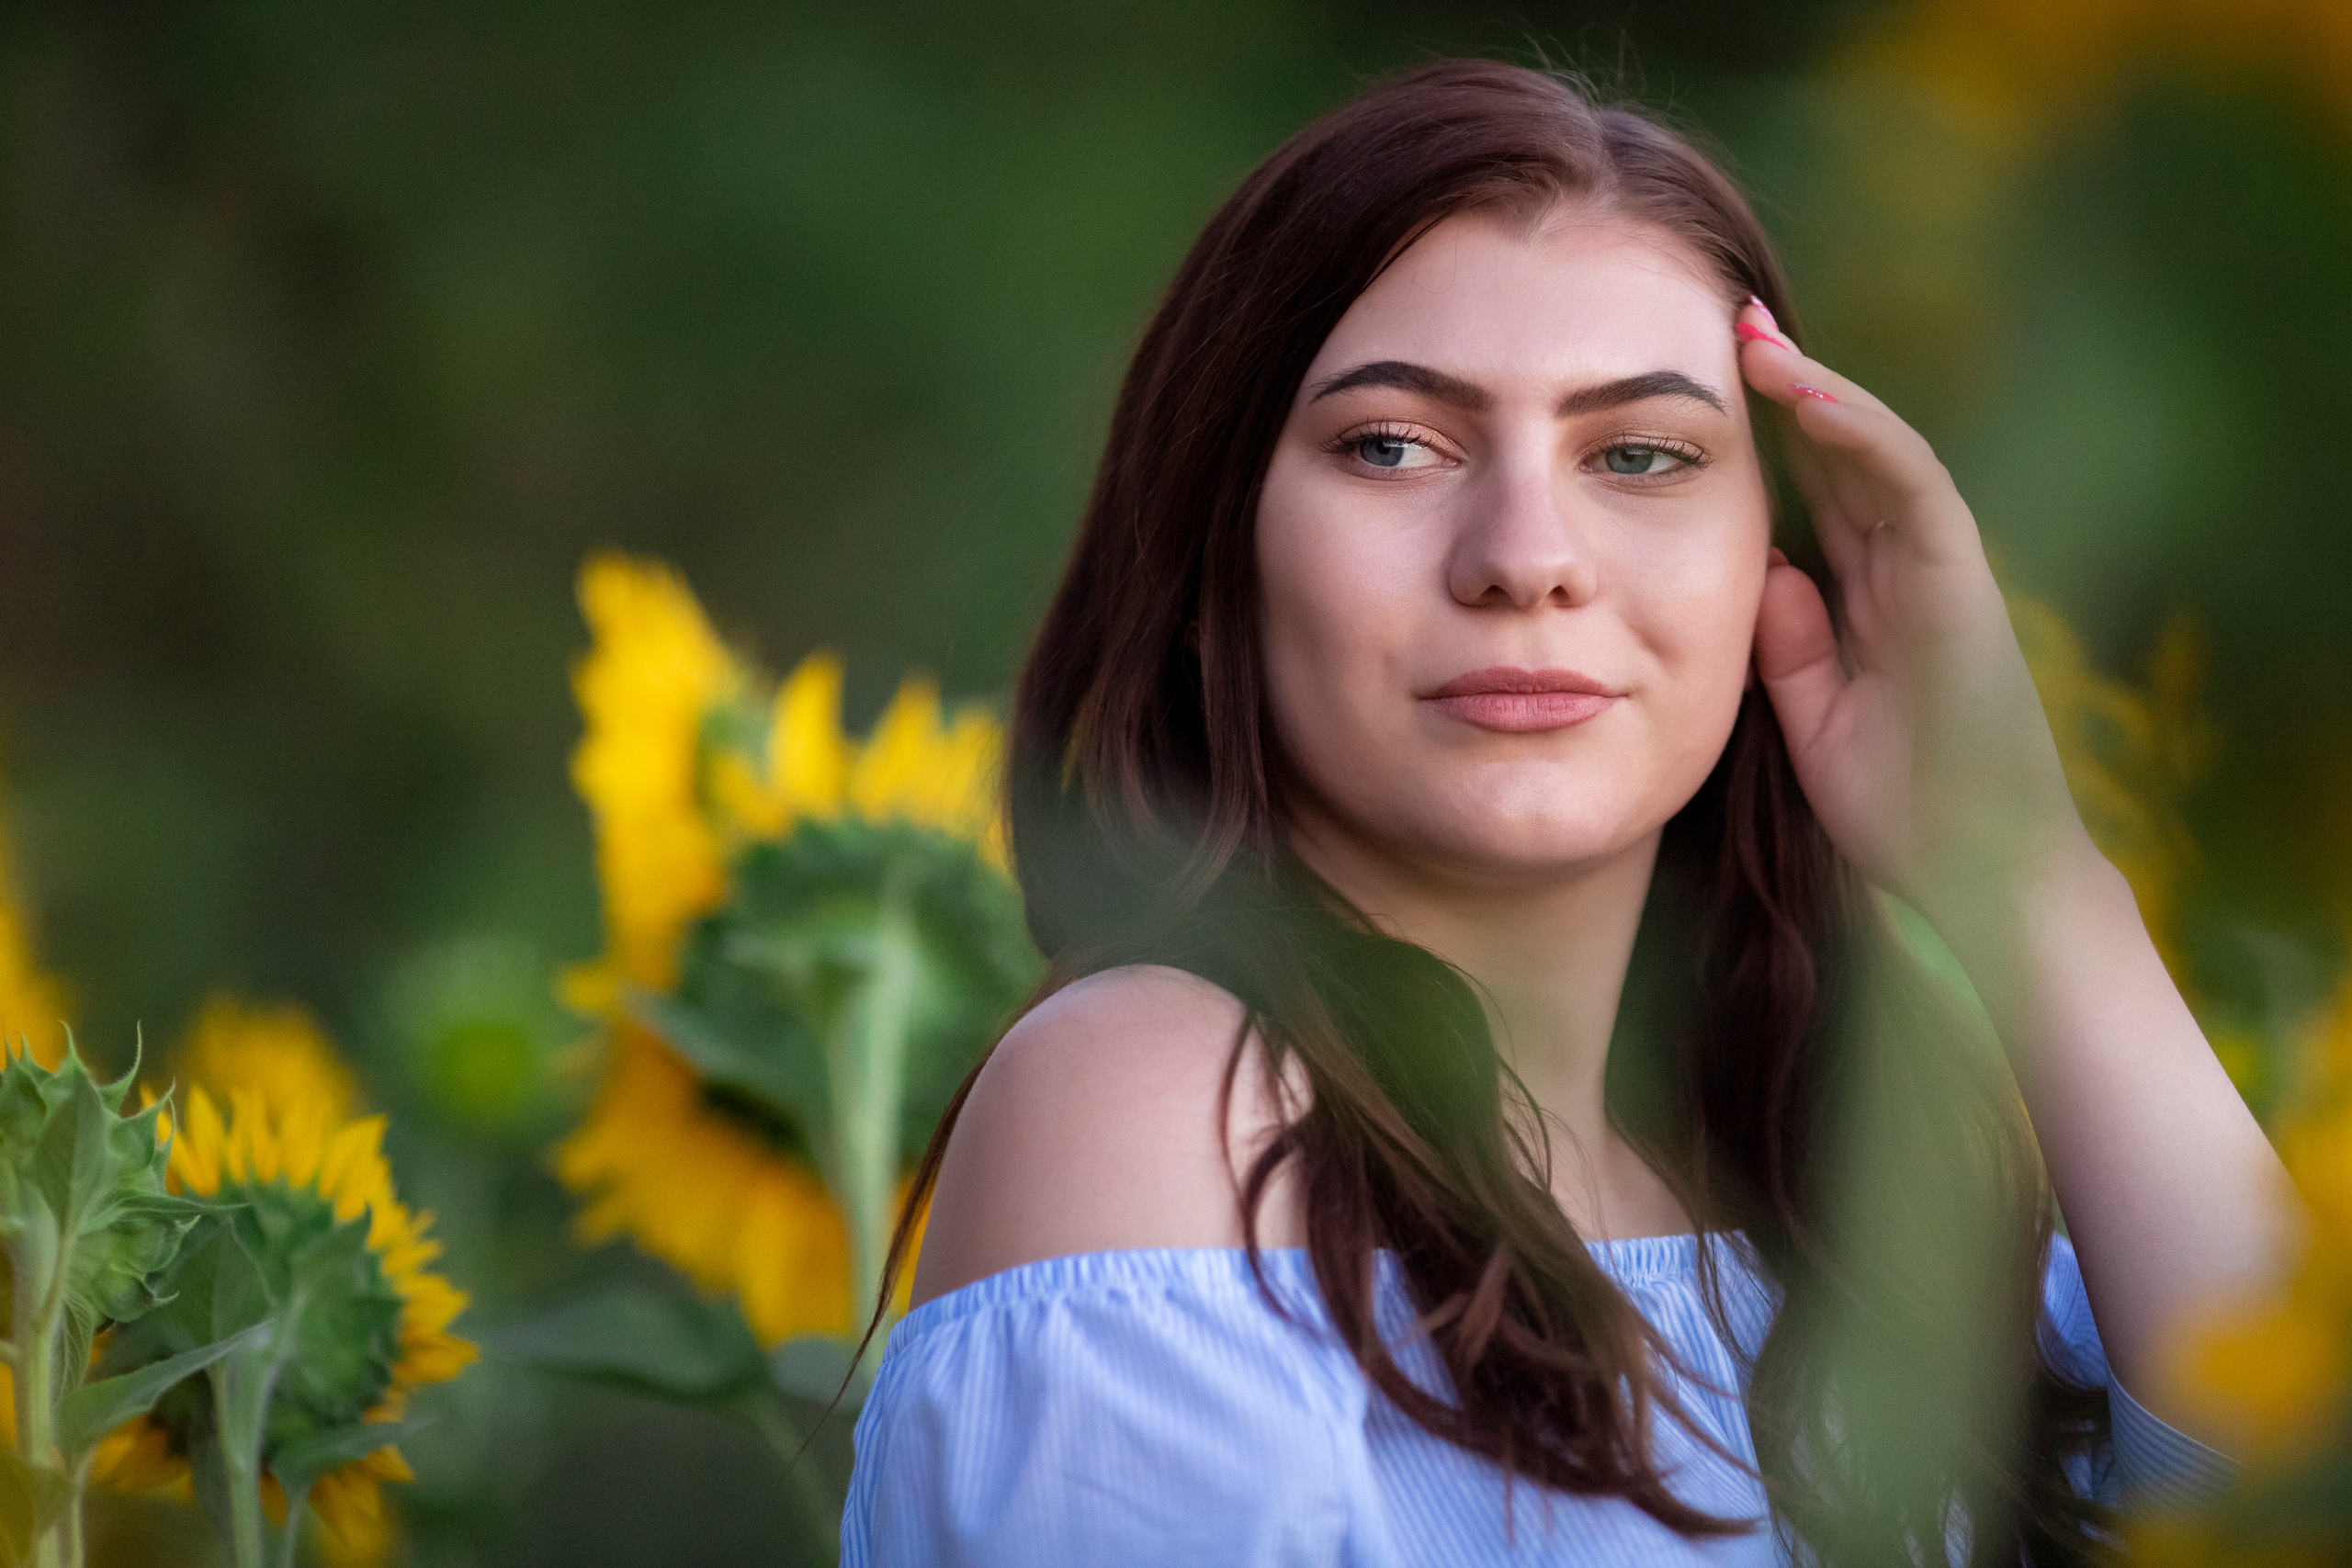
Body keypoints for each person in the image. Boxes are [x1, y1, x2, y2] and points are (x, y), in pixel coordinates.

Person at [841, 59, 2294, 1565]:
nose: (1526, 556)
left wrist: (2027, 875)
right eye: (1393, 444)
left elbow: (2285, 1506)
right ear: (1217, 564)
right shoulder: (1169, 1111)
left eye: (1641, 455)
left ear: (1779, 573)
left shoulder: (1861, 1202)